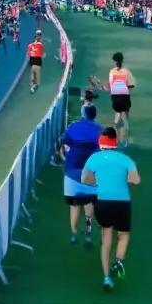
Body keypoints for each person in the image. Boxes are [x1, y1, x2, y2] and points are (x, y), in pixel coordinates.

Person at [81, 127, 140, 290]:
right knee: (123, 235)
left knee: (106, 240)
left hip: (102, 202)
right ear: (115, 141)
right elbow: (136, 180)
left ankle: (107, 277)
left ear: (101, 141)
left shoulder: (94, 158)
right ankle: (118, 260)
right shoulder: (125, 159)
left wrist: (96, 180)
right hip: (122, 203)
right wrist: (124, 177)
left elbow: (85, 178)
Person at [61, 104, 102, 246]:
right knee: (88, 203)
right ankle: (89, 233)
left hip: (72, 169)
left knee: (74, 205)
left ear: (83, 114)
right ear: (94, 115)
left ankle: (73, 234)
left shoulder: (73, 127)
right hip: (90, 171)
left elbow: (65, 146)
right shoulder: (99, 130)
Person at [108, 51, 136, 149]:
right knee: (125, 119)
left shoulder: (112, 72)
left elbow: (111, 85)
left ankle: (115, 139)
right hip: (124, 97)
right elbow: (131, 84)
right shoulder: (126, 72)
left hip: (115, 98)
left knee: (117, 117)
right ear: (122, 60)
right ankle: (124, 140)